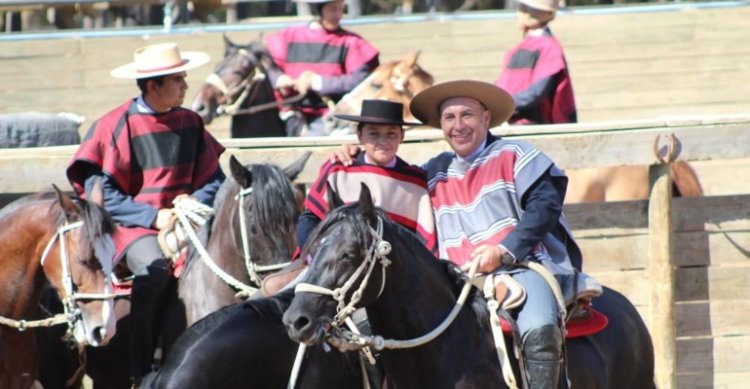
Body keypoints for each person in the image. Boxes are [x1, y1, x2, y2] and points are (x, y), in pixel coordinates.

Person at [335, 80, 588, 388]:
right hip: (452, 280)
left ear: (485, 117)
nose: (458, 126)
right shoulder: (431, 171)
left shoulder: (516, 153)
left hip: (519, 268)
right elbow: (388, 175)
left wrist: (503, 251)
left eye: (466, 115)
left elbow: (544, 207)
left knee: (539, 328)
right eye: (449, 118)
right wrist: (357, 156)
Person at [66, 42, 225, 385]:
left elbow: (215, 178)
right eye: (178, 79)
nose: (186, 86)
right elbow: (101, 193)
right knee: (154, 271)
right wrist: (154, 218)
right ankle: (142, 367)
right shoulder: (114, 125)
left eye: (184, 78)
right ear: (153, 86)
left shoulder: (191, 121)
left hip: (186, 219)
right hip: (130, 226)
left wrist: (192, 202)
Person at [297, 99, 436, 255]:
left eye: (391, 134)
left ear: (401, 136)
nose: (382, 141)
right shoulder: (339, 171)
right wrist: (313, 257)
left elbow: (421, 242)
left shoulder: (415, 182)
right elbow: (310, 219)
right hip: (339, 266)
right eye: (373, 134)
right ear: (359, 135)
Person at [264, 0, 380, 137]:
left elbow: (359, 80)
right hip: (287, 112)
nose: (338, 15)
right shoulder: (288, 36)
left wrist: (316, 82)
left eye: (340, 9)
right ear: (317, 11)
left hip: (329, 117)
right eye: (333, 9)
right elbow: (264, 63)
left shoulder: (351, 42)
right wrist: (279, 78)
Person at [494, 0, 577, 125]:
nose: (520, 13)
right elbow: (504, 84)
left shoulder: (548, 47)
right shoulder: (520, 48)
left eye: (525, 8)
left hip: (531, 125)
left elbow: (536, 93)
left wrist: (504, 105)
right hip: (512, 120)